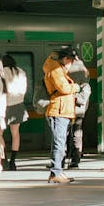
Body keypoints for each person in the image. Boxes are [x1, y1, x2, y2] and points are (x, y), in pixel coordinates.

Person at [43, 47, 81, 184]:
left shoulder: (58, 69)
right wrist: (76, 87)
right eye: (70, 61)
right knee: (58, 143)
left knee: (60, 143)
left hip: (62, 110)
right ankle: (55, 172)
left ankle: (58, 171)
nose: (71, 64)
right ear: (65, 59)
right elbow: (64, 88)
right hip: (58, 110)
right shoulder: (56, 70)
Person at [0, 55, 28, 171]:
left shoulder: (1, 72)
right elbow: (24, 89)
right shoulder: (21, 71)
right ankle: (13, 161)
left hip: (4, 106)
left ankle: (3, 159)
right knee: (15, 134)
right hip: (18, 105)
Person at [66, 55, 92, 169]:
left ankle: (61, 159)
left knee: (65, 133)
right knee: (77, 133)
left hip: (69, 106)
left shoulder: (69, 69)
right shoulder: (85, 70)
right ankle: (75, 160)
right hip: (81, 109)